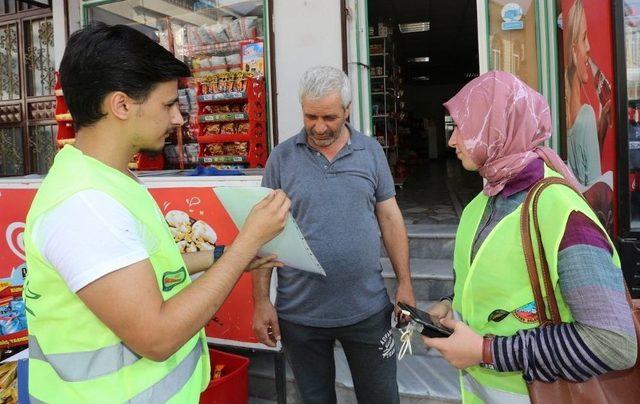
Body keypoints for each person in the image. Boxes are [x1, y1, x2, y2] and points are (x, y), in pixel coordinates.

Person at [24, 23, 290, 403]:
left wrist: (225, 256)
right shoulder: (84, 205)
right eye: (167, 105)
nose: (179, 119)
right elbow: (158, 337)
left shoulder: (109, 178)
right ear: (121, 105)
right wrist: (247, 241)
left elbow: (145, 267)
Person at [423, 71, 636, 403]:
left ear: (495, 129)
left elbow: (611, 343)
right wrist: (453, 304)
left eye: (464, 128)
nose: (451, 141)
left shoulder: (563, 213)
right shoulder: (482, 203)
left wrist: (486, 351)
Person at [252, 66, 415, 404]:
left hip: (367, 310)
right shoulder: (282, 158)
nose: (319, 126)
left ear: (347, 110)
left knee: (382, 398)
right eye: (310, 116)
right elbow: (263, 233)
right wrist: (261, 300)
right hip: (299, 315)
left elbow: (389, 217)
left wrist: (405, 283)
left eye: (329, 117)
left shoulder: (370, 152)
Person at [564, 0, 610, 187]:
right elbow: (594, 187)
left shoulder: (568, 116)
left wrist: (601, 129)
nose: (589, 47)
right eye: (584, 39)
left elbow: (581, 170)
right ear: (574, 51)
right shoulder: (586, 115)